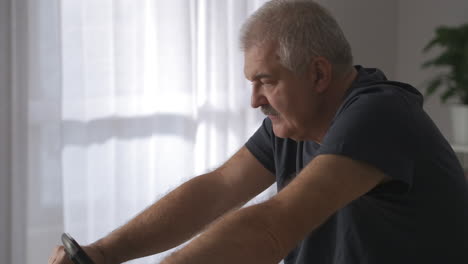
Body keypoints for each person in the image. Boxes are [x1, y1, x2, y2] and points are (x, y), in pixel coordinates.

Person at [48, 0, 468, 263]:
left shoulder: (379, 114)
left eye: (265, 80)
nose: (254, 100)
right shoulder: (293, 126)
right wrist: (101, 254)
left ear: (318, 73)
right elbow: (216, 191)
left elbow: (273, 227)